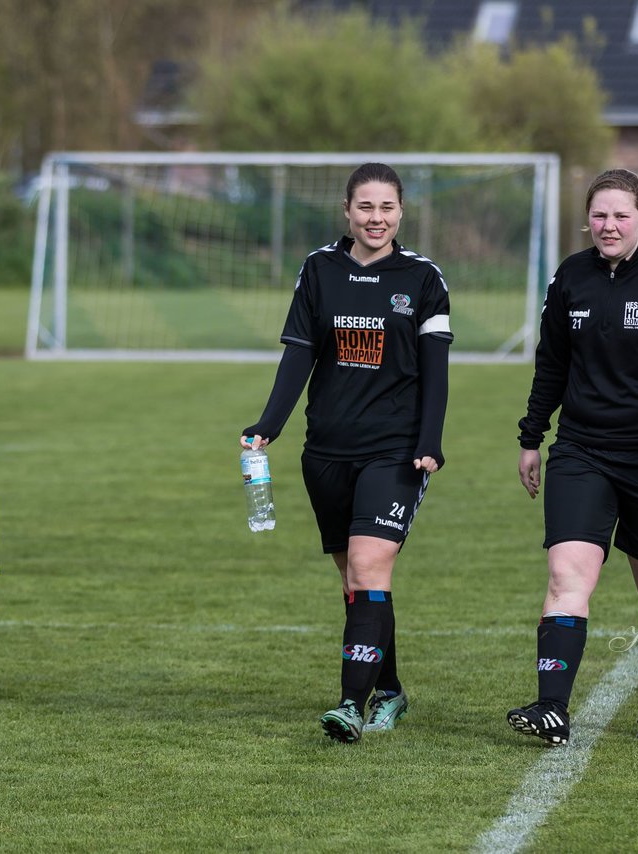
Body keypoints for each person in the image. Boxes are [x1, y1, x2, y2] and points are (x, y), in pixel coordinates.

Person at [240, 163, 452, 743]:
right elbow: (299, 354)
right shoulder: (319, 269)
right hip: (327, 451)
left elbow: (436, 372)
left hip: (396, 451)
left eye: (386, 208)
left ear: (401, 211)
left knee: (368, 567)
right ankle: (390, 690)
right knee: (357, 581)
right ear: (347, 210)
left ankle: (350, 705)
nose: (376, 218)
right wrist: (269, 425)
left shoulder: (424, 278)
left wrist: (430, 441)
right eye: (365, 207)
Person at [506, 168, 638, 744]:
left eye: (622, 215)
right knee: (566, 573)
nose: (609, 225)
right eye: (599, 215)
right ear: (587, 220)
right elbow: (550, 364)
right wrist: (532, 437)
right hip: (582, 450)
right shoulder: (569, 278)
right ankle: (552, 709)